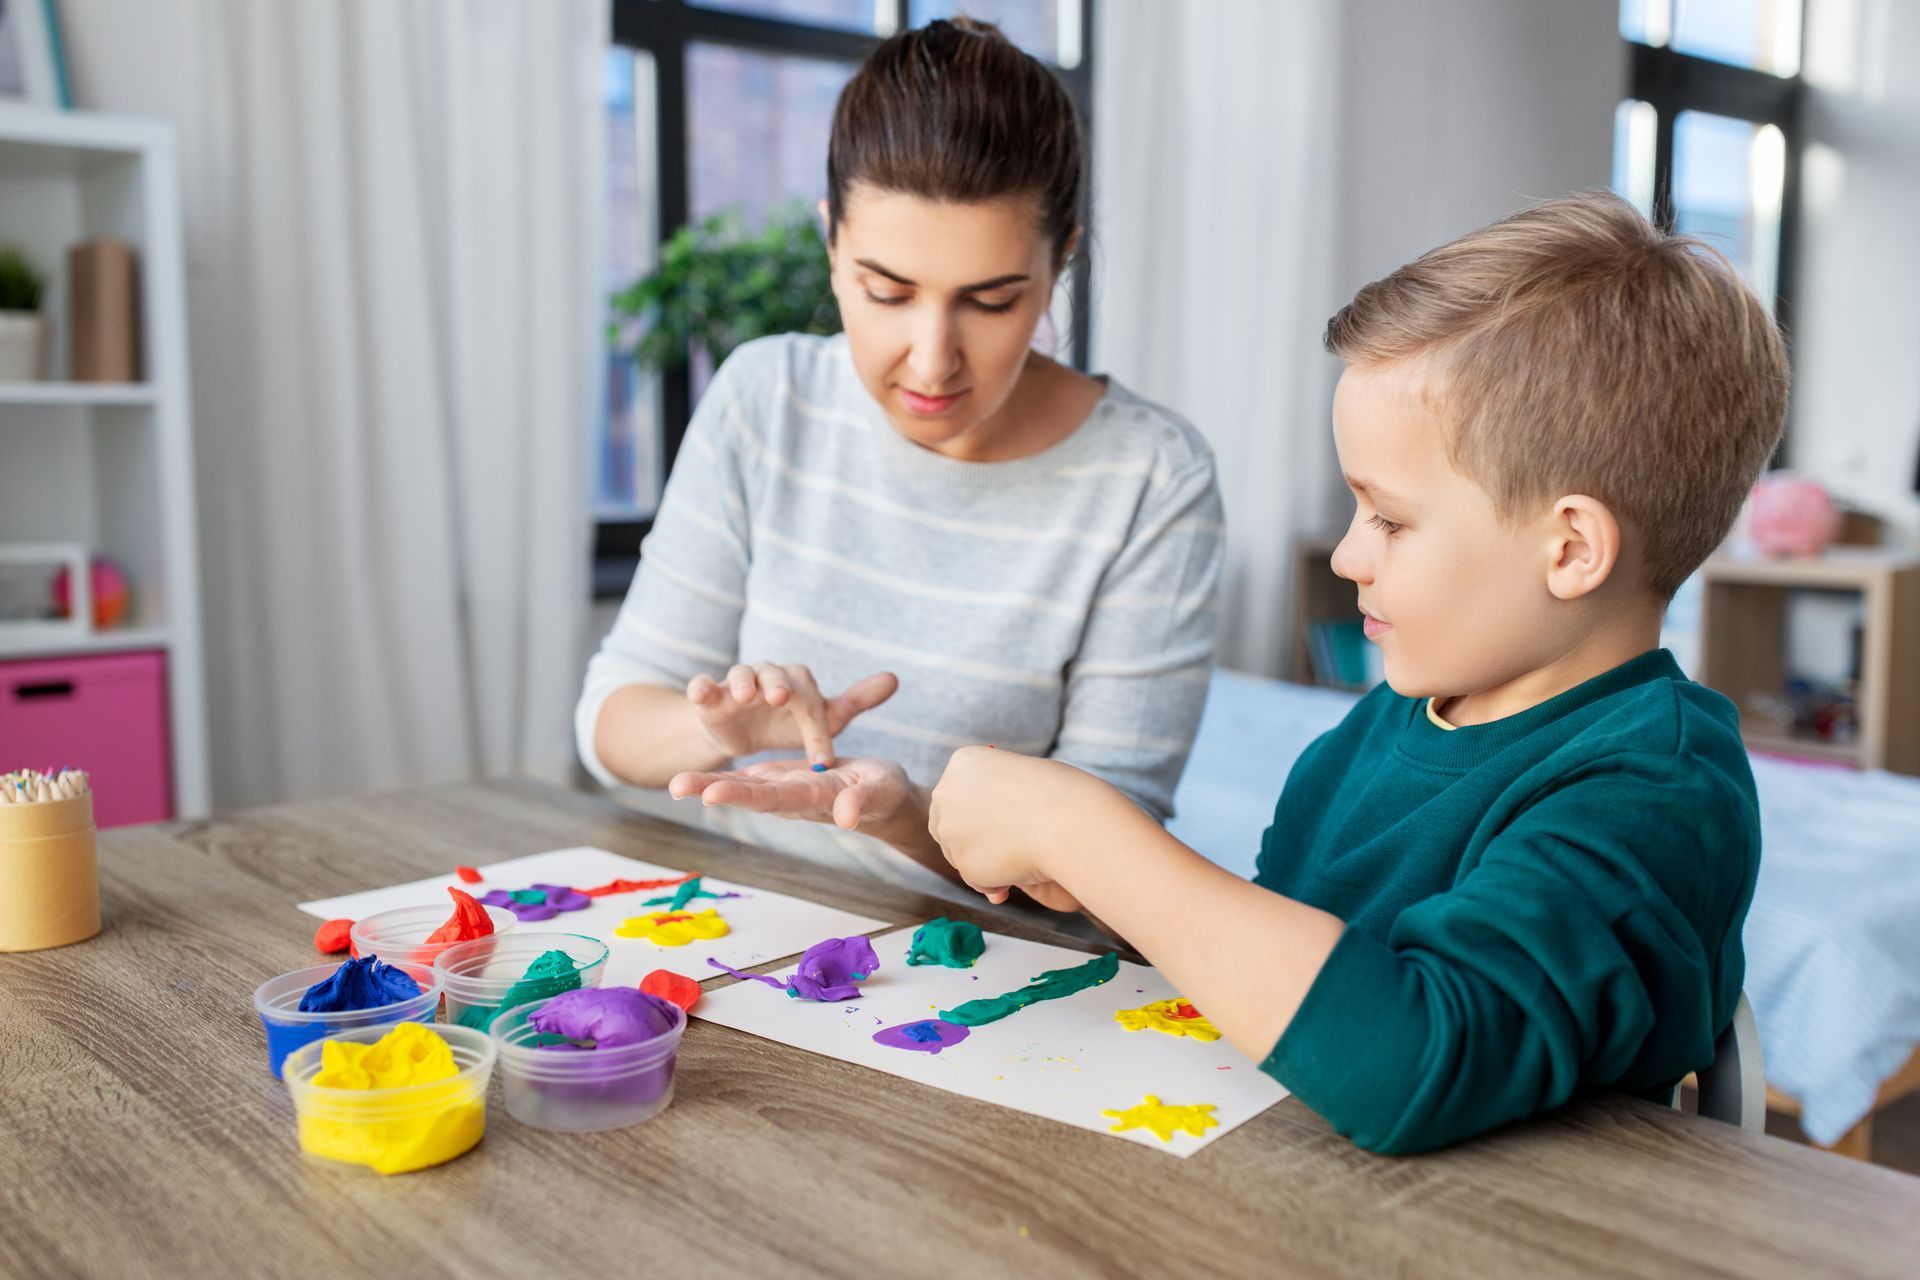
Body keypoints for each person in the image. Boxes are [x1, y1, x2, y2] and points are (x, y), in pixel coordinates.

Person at [928, 191, 1789, 1153]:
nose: (1346, 556)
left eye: (1388, 518)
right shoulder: (1387, 726)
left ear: (1571, 548)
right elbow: (1264, 968)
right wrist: (1075, 871)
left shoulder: (1658, 792)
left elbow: (1412, 1057)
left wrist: (1079, 827)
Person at [577, 19, 1224, 903]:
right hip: (726, 916)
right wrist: (720, 728)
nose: (930, 360)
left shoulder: (1151, 476)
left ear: (1060, 261)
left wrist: (903, 817)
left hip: (982, 972)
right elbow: (610, 723)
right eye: (886, 292)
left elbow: (1110, 865)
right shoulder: (766, 399)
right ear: (832, 244)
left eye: (992, 302)